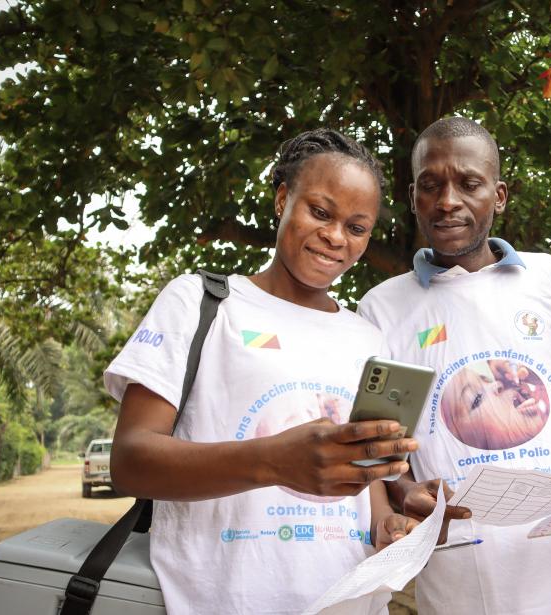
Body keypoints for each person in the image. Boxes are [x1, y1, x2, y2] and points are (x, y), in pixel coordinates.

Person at [105, 129, 420, 615]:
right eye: (320, 212)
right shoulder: (202, 302)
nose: (336, 237)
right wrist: (273, 460)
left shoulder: (368, 339)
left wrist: (386, 525)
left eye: (356, 228)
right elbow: (129, 461)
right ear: (281, 200)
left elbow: (367, 482)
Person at [358, 117, 551, 615]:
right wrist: (406, 493)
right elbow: (380, 452)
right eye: (431, 185)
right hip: (461, 598)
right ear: (413, 198)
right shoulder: (383, 309)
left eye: (469, 183)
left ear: (500, 194)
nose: (448, 200)